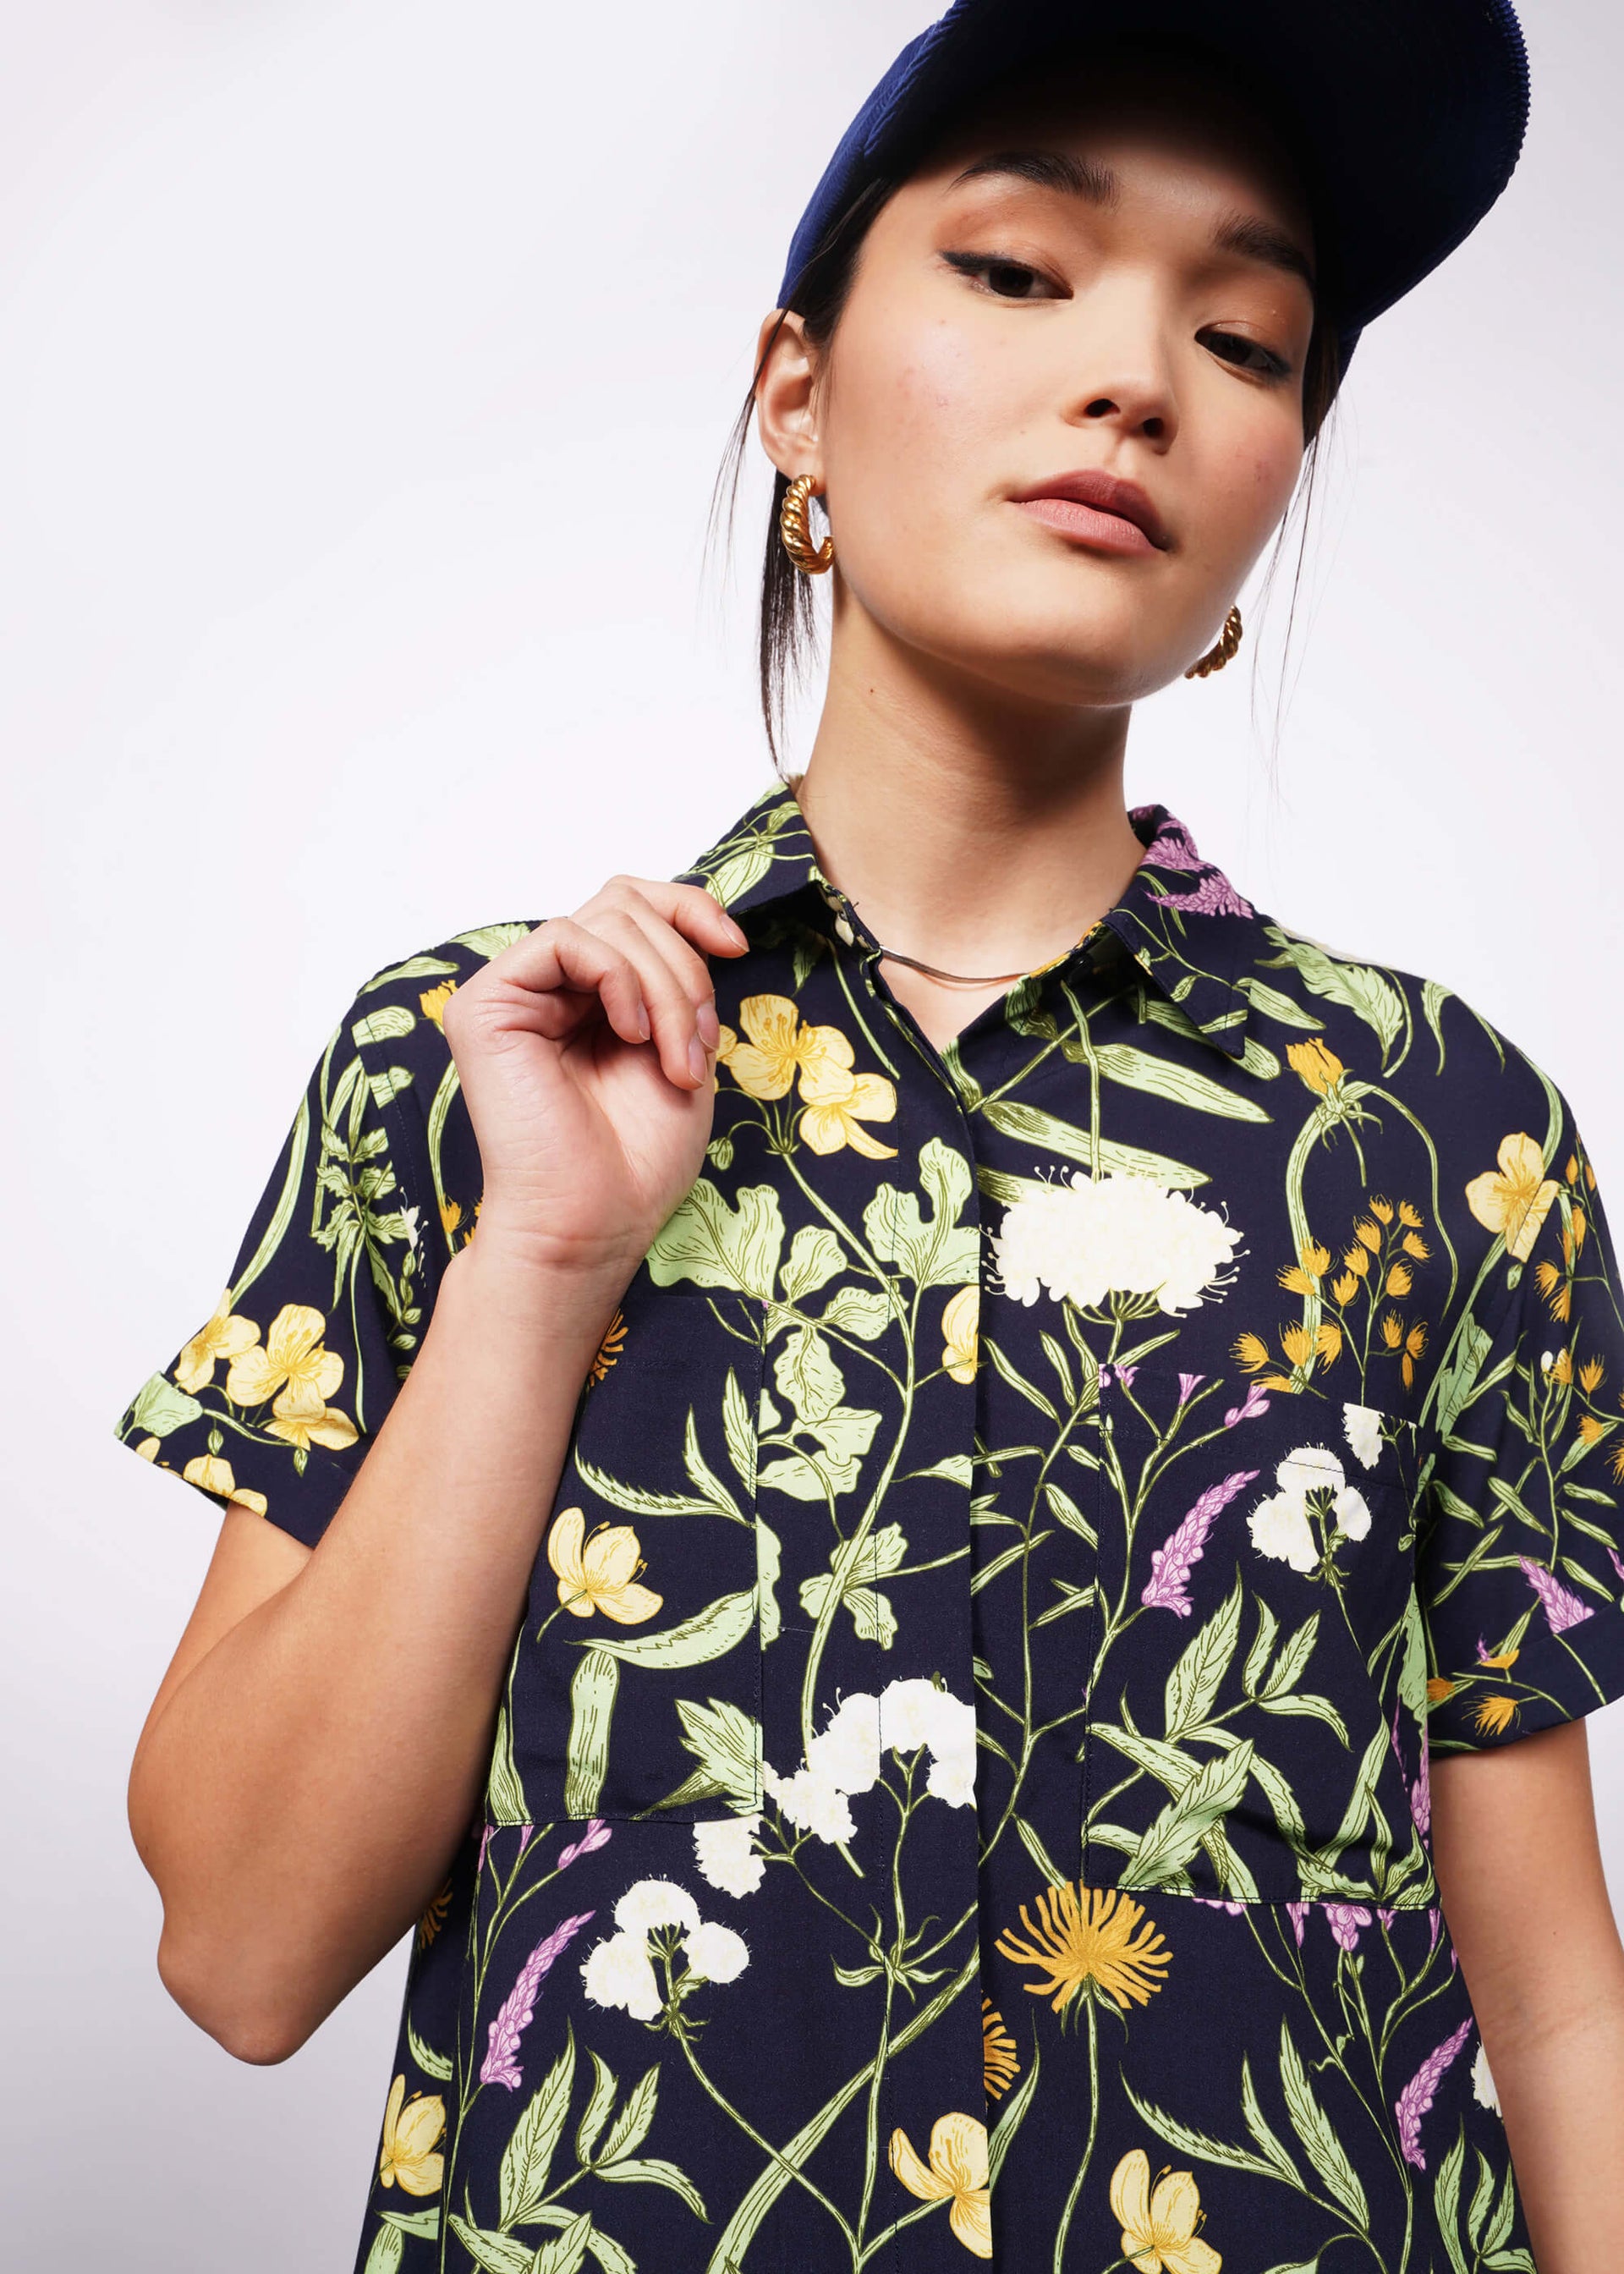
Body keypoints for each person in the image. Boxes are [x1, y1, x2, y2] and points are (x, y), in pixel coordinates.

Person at [114, 3, 1624, 2268]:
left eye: (1245, 334)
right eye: (1020, 274)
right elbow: (240, 1954)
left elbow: (1547, 1998)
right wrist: (545, 1270)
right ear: (796, 394)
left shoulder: (1436, 1126)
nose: (1137, 376)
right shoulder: (475, 1061)